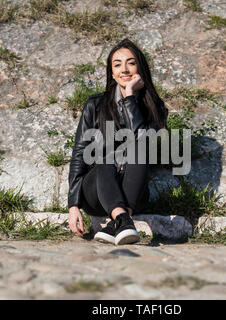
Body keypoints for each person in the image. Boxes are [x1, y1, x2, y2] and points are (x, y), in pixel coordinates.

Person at [67, 38, 168, 245]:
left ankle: (119, 222)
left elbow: (142, 141)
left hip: (133, 191)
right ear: (111, 73)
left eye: (130, 63)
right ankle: (124, 220)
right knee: (104, 160)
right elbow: (80, 153)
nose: (124, 69)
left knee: (139, 151)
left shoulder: (156, 108)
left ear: (140, 67)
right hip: (97, 190)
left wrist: (129, 96)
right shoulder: (95, 105)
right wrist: (73, 205)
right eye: (117, 64)